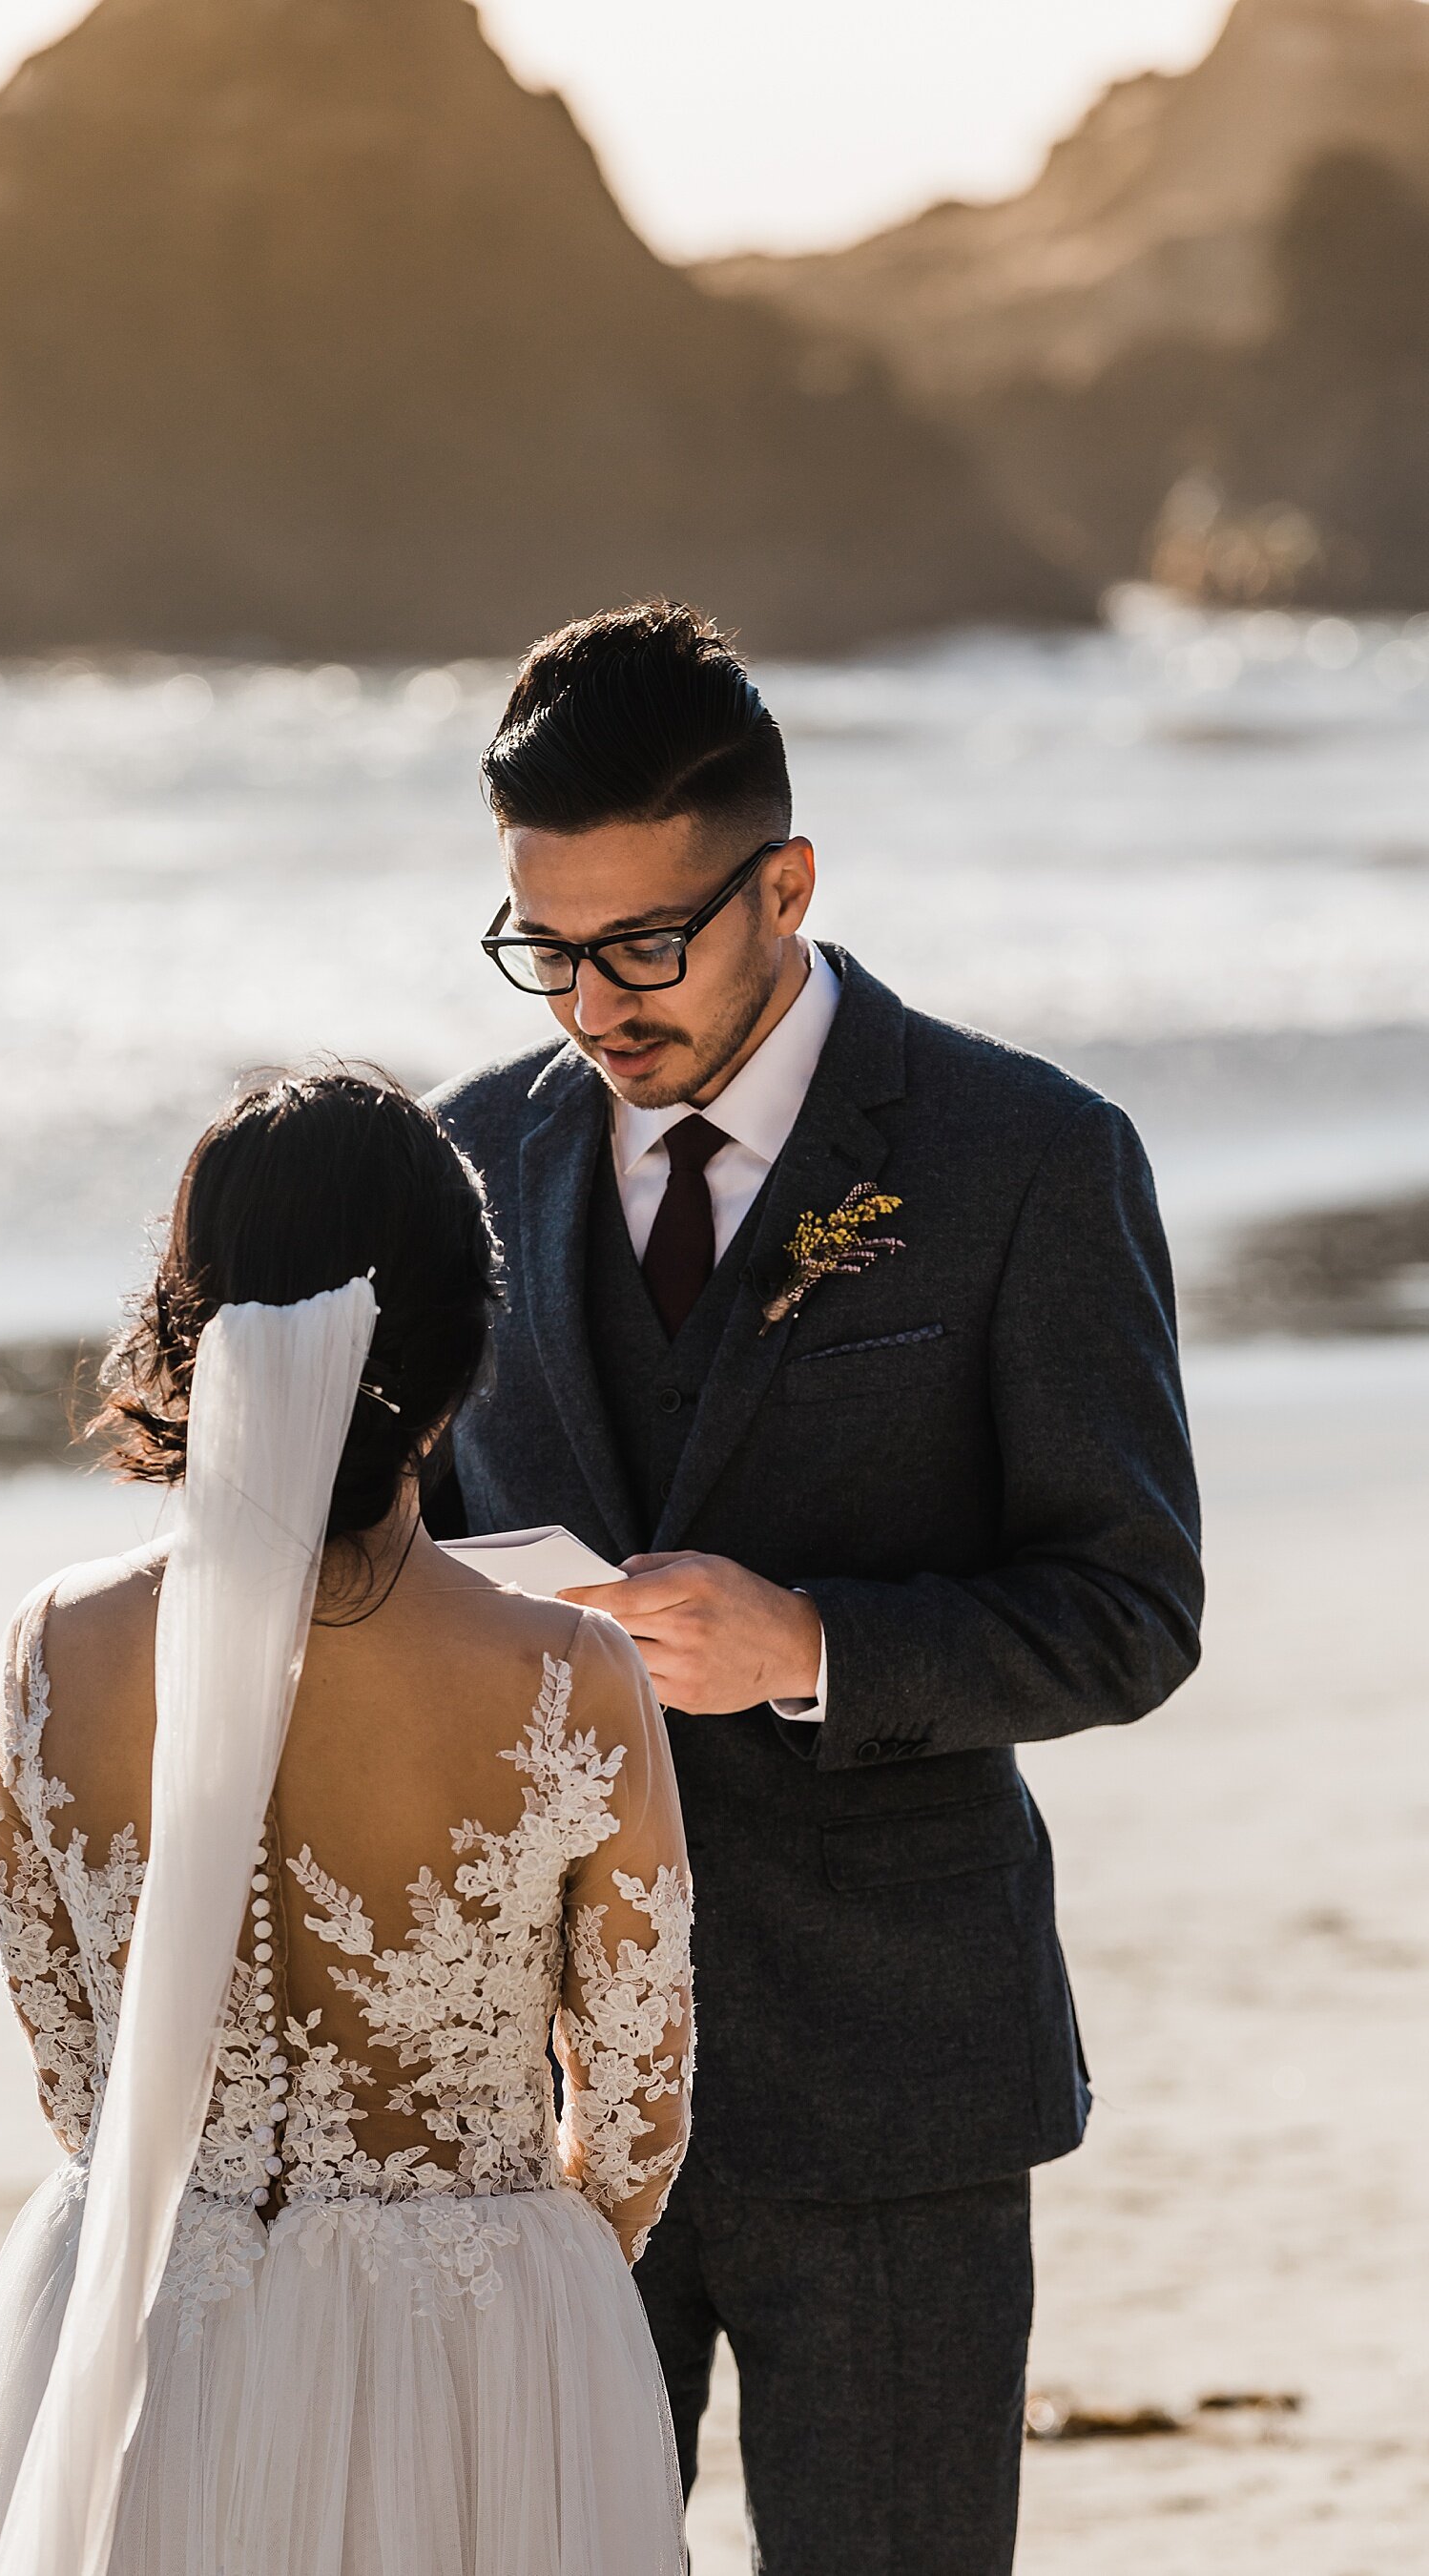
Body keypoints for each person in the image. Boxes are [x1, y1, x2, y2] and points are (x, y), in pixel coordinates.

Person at [427, 602, 1205, 2575]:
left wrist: (816, 1648)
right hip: (551, 2100)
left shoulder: (1027, 1159)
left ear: (786, 884)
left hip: (896, 2089)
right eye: (546, 949)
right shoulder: (463, 1164)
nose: (593, 1006)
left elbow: (1129, 1606)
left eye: (645, 946)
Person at [0, 1072, 694, 2576]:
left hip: (148, 2312)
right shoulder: (567, 1675)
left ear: (183, 1332)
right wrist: (512, 2270)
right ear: (461, 1348)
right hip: (482, 2338)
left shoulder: (49, 1651)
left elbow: (79, 2079)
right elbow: (640, 2114)